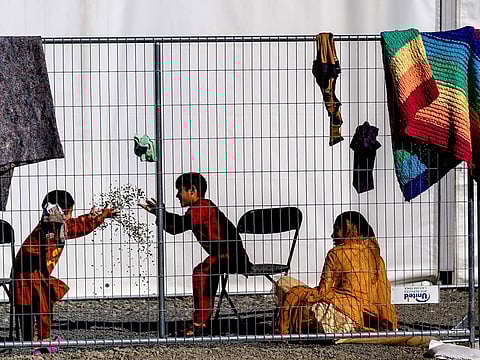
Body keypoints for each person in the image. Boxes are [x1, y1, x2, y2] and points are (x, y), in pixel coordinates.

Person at [139, 172, 251, 336]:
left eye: (180, 190)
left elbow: (179, 226)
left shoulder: (202, 207)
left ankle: (200, 323)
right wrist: (160, 213)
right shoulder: (200, 208)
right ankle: (202, 321)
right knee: (206, 269)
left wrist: (161, 213)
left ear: (192, 190)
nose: (177, 195)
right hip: (225, 256)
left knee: (202, 271)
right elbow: (177, 227)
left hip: (230, 257)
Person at [14, 190, 118, 354]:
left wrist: (99, 216)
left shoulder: (61, 227)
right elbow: (30, 249)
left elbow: (79, 225)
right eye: (70, 212)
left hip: (38, 276)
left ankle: (36, 341)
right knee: (39, 307)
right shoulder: (44, 229)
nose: (70, 216)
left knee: (44, 302)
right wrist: (49, 229)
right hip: (26, 278)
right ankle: (39, 342)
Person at [275, 211, 397, 334]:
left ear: (347, 231)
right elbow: (384, 294)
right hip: (369, 318)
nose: (333, 235)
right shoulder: (376, 257)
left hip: (337, 316)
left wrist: (298, 295)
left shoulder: (336, 253)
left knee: (284, 282)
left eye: (337, 229)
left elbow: (322, 291)